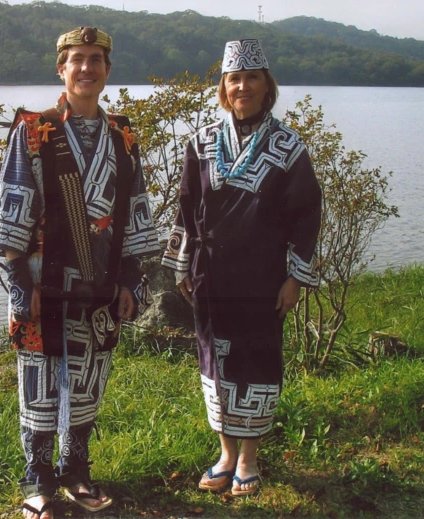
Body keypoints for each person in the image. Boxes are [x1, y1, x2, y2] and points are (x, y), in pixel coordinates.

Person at [0, 27, 160, 519]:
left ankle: (77, 471)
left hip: (101, 285)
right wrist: (20, 284)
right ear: (60, 69)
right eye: (77, 59)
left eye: (96, 59)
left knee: (89, 380)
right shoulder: (34, 131)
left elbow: (134, 211)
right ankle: (37, 479)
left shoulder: (122, 136)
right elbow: (13, 206)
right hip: (43, 286)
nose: (86, 68)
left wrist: (132, 279)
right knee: (39, 383)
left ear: (108, 69)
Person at [161, 39, 322, 496]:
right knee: (215, 358)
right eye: (234, 78)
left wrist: (295, 277)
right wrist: (182, 264)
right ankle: (226, 453)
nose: (242, 86)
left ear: (266, 85)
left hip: (263, 276)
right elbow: (187, 208)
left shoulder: (288, 146)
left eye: (252, 77)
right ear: (224, 86)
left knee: (257, 358)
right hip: (210, 274)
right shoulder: (202, 142)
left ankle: (249, 457)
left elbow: (307, 213)